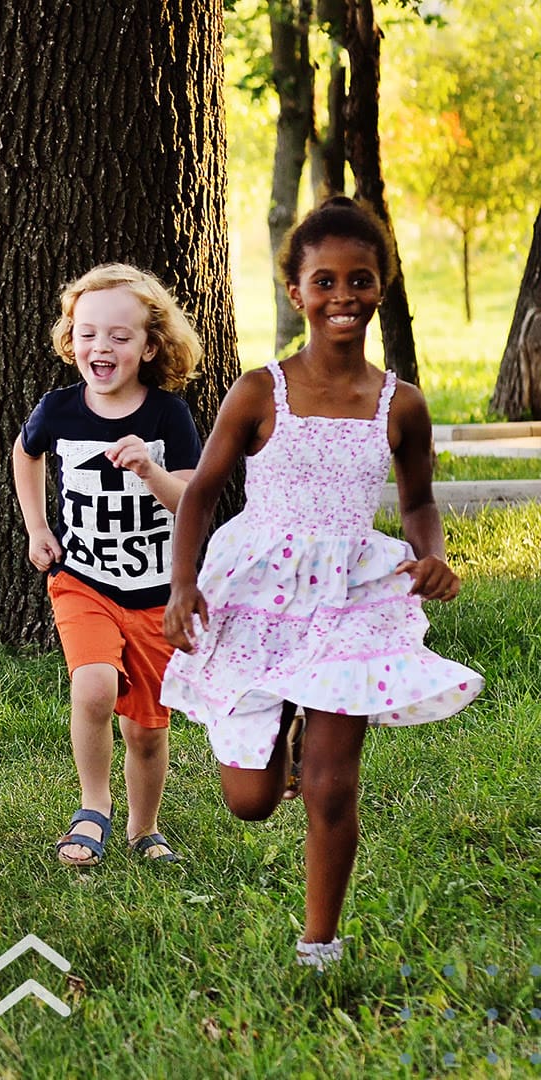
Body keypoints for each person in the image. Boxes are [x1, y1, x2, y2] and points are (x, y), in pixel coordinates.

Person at [161, 197, 481, 968]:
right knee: (252, 801)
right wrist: (182, 585)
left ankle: (320, 943)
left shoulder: (399, 404)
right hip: (258, 590)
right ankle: (284, 727)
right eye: (326, 281)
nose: (344, 295)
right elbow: (202, 491)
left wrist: (429, 552)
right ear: (297, 291)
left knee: (334, 786)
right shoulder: (259, 390)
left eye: (361, 280)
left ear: (382, 287)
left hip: (353, 597)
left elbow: (419, 500)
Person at [12, 264, 204, 867]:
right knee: (91, 685)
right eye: (89, 333)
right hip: (82, 581)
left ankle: (144, 829)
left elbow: (193, 501)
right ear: (71, 339)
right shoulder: (59, 409)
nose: (103, 347)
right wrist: (38, 526)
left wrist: (150, 469)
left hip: (154, 592)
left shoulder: (167, 417)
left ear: (150, 346)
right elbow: (25, 454)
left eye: (121, 337)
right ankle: (92, 807)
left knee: (147, 730)